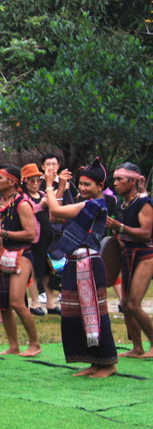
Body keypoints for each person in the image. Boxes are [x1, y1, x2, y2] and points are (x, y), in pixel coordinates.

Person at [44, 159, 119, 377]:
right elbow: (53, 216)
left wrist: (48, 184)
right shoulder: (84, 203)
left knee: (94, 312)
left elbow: (55, 208)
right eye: (81, 184)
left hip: (89, 263)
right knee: (74, 314)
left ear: (100, 186)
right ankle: (94, 362)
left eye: (88, 184)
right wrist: (60, 187)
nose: (83, 188)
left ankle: (108, 363)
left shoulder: (95, 205)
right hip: (74, 263)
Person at [0, 165, 41, 356]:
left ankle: (35, 344)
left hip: (22, 254)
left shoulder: (22, 203)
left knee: (17, 302)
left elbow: (30, 234)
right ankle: (13, 346)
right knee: (4, 305)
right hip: (4, 255)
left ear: (12, 181)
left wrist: (4, 233)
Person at [105, 162, 153, 358]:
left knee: (133, 304)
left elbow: (146, 233)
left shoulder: (144, 203)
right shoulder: (123, 204)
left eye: (119, 179)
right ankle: (137, 348)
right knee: (125, 304)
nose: (115, 183)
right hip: (129, 253)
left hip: (146, 255)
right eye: (114, 179)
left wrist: (120, 227)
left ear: (133, 181)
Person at [21, 163, 59, 316]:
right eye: (32, 180)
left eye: (39, 180)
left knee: (48, 270)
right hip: (33, 239)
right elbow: (26, 214)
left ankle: (50, 302)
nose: (36, 183)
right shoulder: (23, 198)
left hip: (47, 236)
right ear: (25, 181)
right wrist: (40, 206)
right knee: (33, 270)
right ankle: (35, 302)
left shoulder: (43, 194)